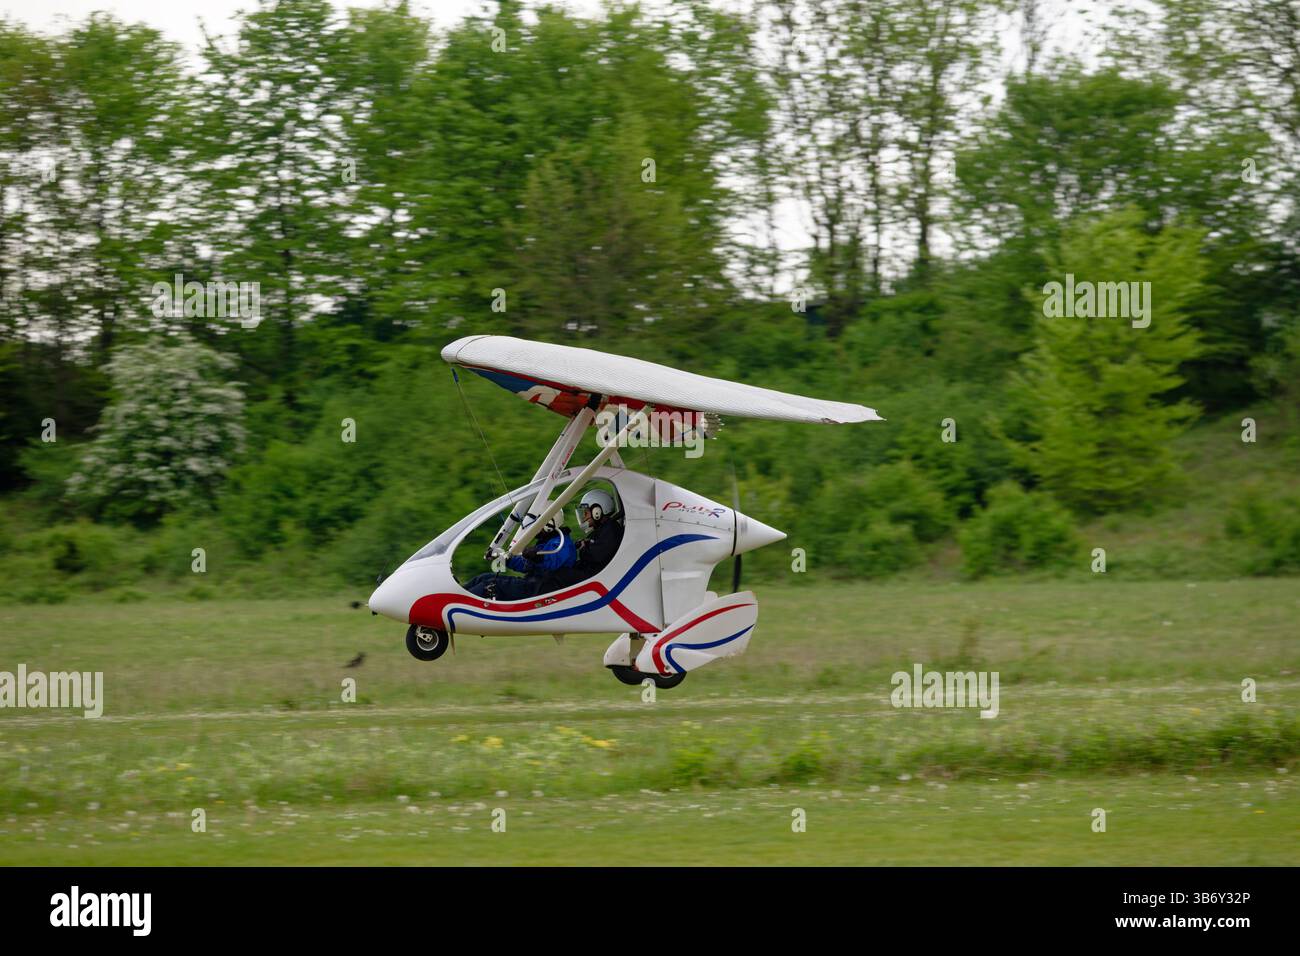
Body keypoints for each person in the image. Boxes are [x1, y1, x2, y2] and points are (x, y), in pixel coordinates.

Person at [464, 511, 577, 600]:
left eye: (537, 522)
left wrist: (536, 556)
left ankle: (459, 605)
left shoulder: (563, 543)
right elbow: (525, 565)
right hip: (532, 584)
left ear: (549, 523)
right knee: (484, 577)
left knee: (489, 585)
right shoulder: (547, 541)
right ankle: (453, 597)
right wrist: (503, 558)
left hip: (541, 590)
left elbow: (552, 561)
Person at [544, 488, 624, 589]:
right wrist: (586, 544)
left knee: (557, 575)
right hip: (593, 572)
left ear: (597, 512)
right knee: (557, 570)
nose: (584, 518)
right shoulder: (603, 528)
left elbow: (596, 556)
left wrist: (583, 549)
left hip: (598, 576)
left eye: (586, 513)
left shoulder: (611, 529)